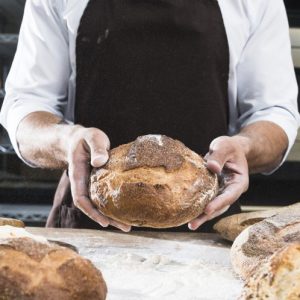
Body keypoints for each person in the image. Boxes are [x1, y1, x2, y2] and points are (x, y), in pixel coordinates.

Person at [0, 0, 299, 232]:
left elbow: (273, 112)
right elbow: (25, 106)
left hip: (207, 226)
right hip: (90, 227)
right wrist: (66, 140)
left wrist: (244, 148)